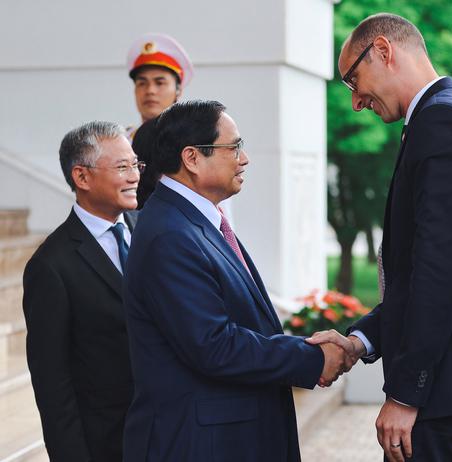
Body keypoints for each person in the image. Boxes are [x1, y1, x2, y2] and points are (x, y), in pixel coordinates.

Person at [308, 13, 452, 462]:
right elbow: (434, 273)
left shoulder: (443, 121)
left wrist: (406, 394)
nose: (355, 102)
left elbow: (440, 271)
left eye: (353, 80)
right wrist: (360, 341)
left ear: (384, 51)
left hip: (451, 387)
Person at [122, 100, 348, 461]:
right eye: (234, 147)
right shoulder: (170, 234)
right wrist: (310, 358)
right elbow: (213, 345)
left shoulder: (195, 221)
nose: (245, 159)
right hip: (201, 445)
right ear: (192, 158)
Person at [22, 121, 142, 461]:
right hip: (108, 444)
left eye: (136, 164)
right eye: (122, 167)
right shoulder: (51, 266)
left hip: (169, 434)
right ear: (82, 177)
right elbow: (52, 386)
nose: (134, 176)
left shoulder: (149, 229)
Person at [125, 33, 193, 142]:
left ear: (178, 90)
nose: (150, 91)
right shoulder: (123, 142)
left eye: (160, 83)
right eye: (142, 83)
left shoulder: (193, 141)